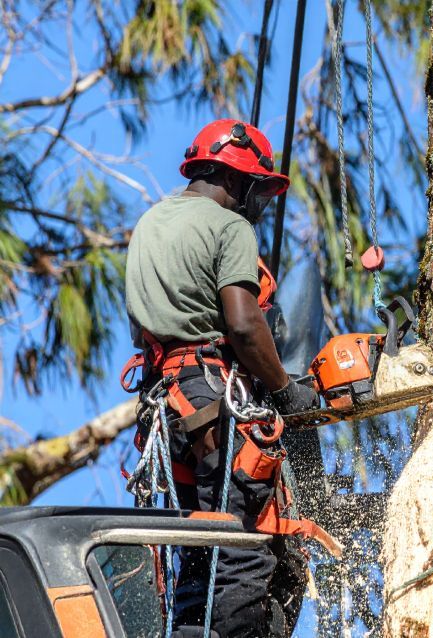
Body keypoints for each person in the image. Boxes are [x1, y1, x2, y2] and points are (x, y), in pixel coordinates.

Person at [124, 119, 320, 637]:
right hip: (211, 396)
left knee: (199, 551)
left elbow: (139, 330)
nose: (257, 204)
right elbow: (241, 321)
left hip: (168, 408)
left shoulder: (149, 224)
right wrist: (284, 388)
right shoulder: (230, 226)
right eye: (257, 191)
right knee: (246, 547)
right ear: (235, 179)